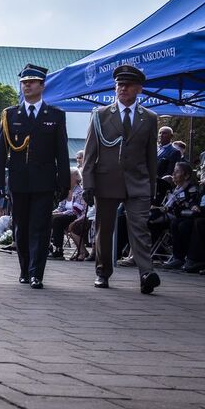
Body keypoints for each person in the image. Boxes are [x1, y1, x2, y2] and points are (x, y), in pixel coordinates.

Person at [82, 64, 160, 293]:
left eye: (127, 85)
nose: (122, 89)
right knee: (104, 230)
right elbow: (90, 153)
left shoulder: (150, 118)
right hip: (106, 181)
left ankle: (146, 273)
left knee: (140, 228)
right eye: (119, 85)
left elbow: (150, 156)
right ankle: (103, 272)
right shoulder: (101, 115)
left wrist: (152, 187)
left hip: (138, 182)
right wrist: (88, 183)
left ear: (139, 89)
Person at [0, 64, 71, 289]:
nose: (27, 85)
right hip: (18, 181)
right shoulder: (10, 114)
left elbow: (62, 153)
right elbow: (0, 151)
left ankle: (37, 272)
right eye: (24, 82)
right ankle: (25, 269)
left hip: (44, 182)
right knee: (21, 227)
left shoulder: (55, 116)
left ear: (42, 86)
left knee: (40, 227)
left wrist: (64, 182)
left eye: (32, 82)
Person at [159, 162, 202, 271]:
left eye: (177, 171)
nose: (173, 174)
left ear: (186, 176)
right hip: (176, 217)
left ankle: (184, 257)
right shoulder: (174, 189)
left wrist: (193, 206)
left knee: (182, 225)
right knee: (174, 224)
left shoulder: (192, 189)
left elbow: (193, 203)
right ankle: (178, 257)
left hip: (188, 217)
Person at [50, 168, 85, 259]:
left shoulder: (80, 192)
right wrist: (53, 213)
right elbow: (60, 207)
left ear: (75, 179)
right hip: (66, 216)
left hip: (77, 217)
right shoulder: (65, 191)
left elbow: (77, 210)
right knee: (48, 218)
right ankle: (48, 247)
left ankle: (58, 249)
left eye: (69, 177)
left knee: (58, 220)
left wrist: (60, 214)